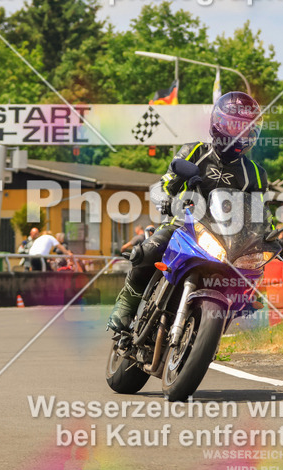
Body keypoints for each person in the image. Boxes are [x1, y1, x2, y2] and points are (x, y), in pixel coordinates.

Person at [107, 91, 269, 332]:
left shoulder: (255, 173)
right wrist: (165, 199)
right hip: (184, 226)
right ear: (217, 122)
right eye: (233, 125)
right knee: (149, 250)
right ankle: (126, 305)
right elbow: (163, 184)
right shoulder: (195, 151)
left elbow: (261, 213)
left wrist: (272, 234)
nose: (238, 133)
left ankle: (215, 325)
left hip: (228, 241)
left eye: (245, 129)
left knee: (249, 276)